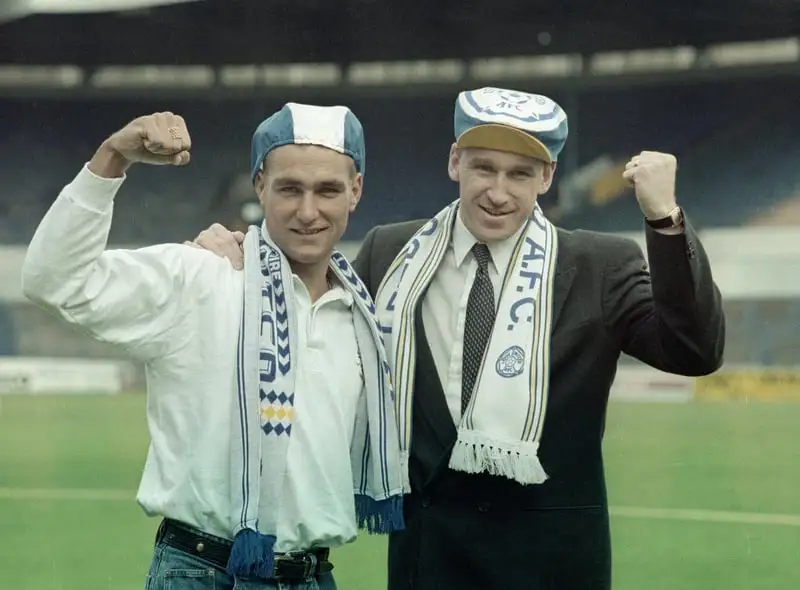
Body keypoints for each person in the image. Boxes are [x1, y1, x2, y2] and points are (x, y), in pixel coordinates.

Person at [191, 87, 725, 590]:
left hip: (554, 566)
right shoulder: (389, 253)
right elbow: (307, 312)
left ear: (547, 177)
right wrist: (238, 252)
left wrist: (665, 220)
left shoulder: (599, 264)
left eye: (520, 174)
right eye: (483, 168)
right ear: (454, 163)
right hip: (428, 563)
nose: (497, 192)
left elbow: (693, 350)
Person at [20, 104, 408, 590]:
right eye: (289, 188)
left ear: (356, 190)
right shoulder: (202, 277)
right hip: (202, 573)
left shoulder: (364, 315)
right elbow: (54, 281)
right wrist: (112, 158)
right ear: (260, 184)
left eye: (327, 189)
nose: (308, 212)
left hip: (312, 576)